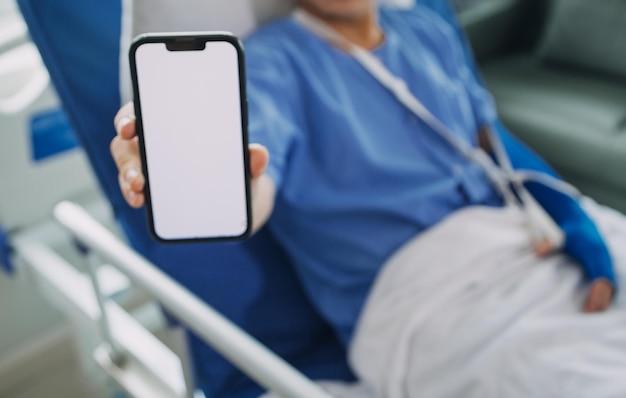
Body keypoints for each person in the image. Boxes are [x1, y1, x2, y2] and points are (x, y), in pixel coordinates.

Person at [112, 0, 616, 348]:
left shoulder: (426, 29)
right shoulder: (271, 63)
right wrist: (209, 179)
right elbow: (255, 181)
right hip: (425, 304)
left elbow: (491, 143)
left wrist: (573, 216)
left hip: (523, 247)